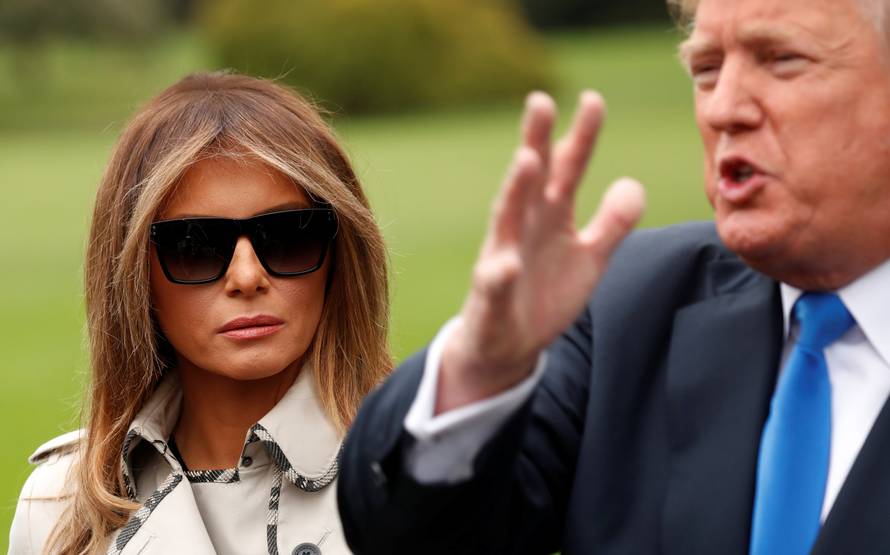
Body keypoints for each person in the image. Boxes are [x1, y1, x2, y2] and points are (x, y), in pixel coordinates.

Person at [338, 0, 890, 553]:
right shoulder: (626, 306)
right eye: (706, 69)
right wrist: (480, 368)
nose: (723, 109)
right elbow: (408, 534)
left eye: (781, 59)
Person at [9, 71, 391, 554]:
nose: (247, 276)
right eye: (196, 246)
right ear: (132, 276)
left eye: (290, 235)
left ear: (341, 255)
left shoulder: (422, 478)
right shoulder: (57, 508)